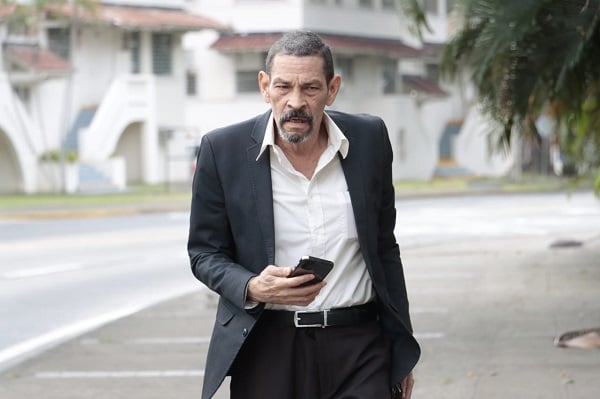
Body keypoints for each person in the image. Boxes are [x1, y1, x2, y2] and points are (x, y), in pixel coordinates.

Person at [188, 30, 420, 399]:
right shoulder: (223, 150)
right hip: (269, 346)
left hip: (359, 346)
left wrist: (401, 347)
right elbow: (203, 252)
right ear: (265, 87)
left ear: (332, 89)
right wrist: (251, 286)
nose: (295, 102)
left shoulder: (370, 139)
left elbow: (384, 248)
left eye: (310, 88)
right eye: (283, 87)